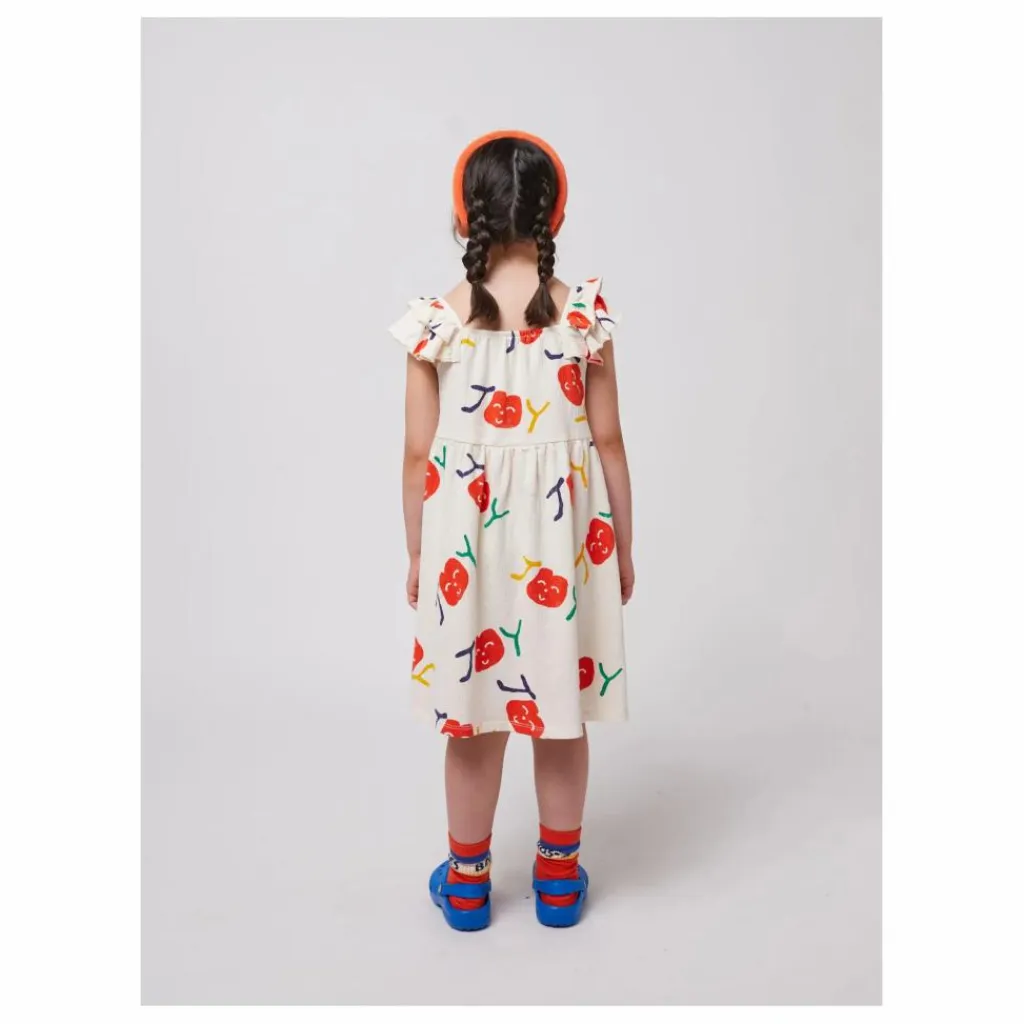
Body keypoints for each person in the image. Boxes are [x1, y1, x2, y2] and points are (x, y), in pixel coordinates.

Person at [390, 131, 633, 930]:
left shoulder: (436, 325)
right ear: (555, 214)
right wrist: (623, 549)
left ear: (465, 217)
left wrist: (420, 554)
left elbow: (418, 455)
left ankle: (467, 884)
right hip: (565, 552)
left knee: (473, 721)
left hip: (469, 555)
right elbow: (609, 443)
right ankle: (558, 881)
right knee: (557, 716)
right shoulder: (583, 319)